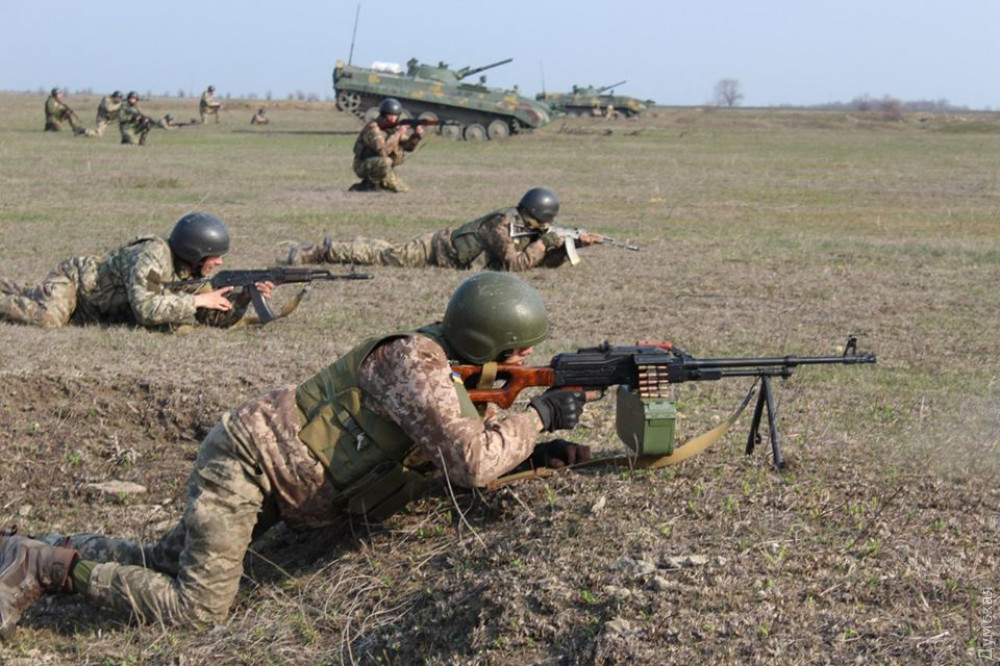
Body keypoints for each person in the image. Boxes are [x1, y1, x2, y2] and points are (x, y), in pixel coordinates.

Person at [0, 273, 590, 632]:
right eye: (519, 350)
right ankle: (46, 568)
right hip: (249, 462)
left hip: (277, 476)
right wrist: (539, 417)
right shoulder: (415, 364)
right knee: (197, 610)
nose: (523, 361)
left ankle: (35, 545)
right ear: (489, 341)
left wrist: (533, 455)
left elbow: (453, 445)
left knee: (163, 561)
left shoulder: (449, 364)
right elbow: (470, 461)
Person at [0, 212, 272, 330]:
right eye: (215, 257)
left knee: (35, 294)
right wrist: (197, 301)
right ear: (195, 254)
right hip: (77, 285)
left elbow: (212, 320)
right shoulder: (151, 256)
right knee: (49, 317)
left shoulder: (190, 273)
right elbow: (146, 309)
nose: (220, 263)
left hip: (93, 310)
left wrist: (243, 299)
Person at [281, 187, 603, 270]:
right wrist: (546, 242)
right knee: (386, 256)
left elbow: (538, 261)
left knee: (384, 250)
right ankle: (322, 250)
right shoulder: (503, 224)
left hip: (448, 255)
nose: (545, 228)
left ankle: (341, 245)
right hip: (435, 249)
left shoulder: (525, 225)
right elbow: (514, 264)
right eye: (544, 223)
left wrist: (572, 246)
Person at [349, 97, 424, 193]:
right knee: (386, 161)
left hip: (379, 163)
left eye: (396, 116)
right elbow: (383, 151)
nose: (393, 118)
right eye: (390, 115)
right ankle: (369, 184)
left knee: (403, 190)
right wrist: (398, 133)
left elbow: (408, 147)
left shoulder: (392, 128)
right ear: (383, 115)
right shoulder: (373, 128)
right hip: (362, 165)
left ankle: (381, 182)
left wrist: (416, 135)